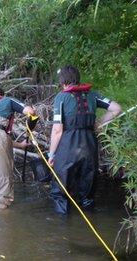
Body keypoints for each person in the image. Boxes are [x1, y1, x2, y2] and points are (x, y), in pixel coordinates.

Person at [47, 65, 122, 215]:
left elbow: (57, 130)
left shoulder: (61, 98)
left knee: (61, 192)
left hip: (68, 146)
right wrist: (99, 123)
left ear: (63, 81)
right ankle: (88, 218)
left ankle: (63, 227)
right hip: (90, 145)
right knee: (87, 194)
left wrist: (51, 154)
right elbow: (116, 108)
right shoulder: (93, 95)